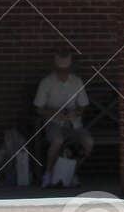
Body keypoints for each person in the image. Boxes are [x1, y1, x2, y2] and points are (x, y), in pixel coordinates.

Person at [34, 51, 92, 185]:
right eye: (60, 70)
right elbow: (38, 108)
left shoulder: (77, 81)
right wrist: (54, 113)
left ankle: (71, 172)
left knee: (88, 142)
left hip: (74, 124)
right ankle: (48, 173)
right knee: (58, 140)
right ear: (55, 68)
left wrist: (76, 113)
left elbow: (83, 105)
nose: (63, 72)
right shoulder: (46, 82)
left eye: (66, 69)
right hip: (53, 123)